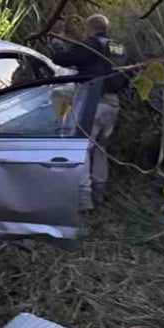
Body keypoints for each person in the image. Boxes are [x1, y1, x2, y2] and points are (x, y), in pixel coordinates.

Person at [49, 14, 129, 211]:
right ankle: (100, 190)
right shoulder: (119, 47)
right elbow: (128, 76)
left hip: (93, 101)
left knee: (81, 147)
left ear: (90, 28)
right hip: (113, 103)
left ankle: (84, 197)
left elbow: (61, 59)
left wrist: (57, 44)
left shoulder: (91, 45)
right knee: (101, 147)